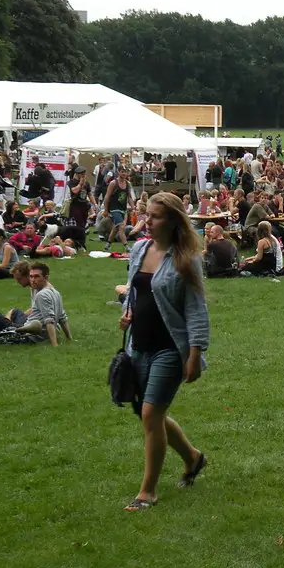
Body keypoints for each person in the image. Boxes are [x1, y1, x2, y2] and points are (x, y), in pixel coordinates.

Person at [119, 191, 210, 511]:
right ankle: (193, 457)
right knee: (149, 414)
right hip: (138, 345)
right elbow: (135, 289)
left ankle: (147, 491)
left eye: (155, 216)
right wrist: (127, 312)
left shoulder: (186, 259)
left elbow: (196, 310)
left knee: (150, 413)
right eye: (147, 214)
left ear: (172, 221)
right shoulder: (139, 248)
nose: (148, 221)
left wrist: (195, 354)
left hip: (171, 349)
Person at [101, 166, 132, 252]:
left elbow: (129, 196)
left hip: (122, 208)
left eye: (126, 172)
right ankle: (126, 246)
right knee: (121, 226)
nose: (124, 174)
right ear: (118, 172)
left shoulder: (128, 184)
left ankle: (108, 244)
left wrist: (133, 207)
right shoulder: (113, 183)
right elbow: (107, 197)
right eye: (122, 171)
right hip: (114, 208)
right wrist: (106, 210)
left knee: (116, 227)